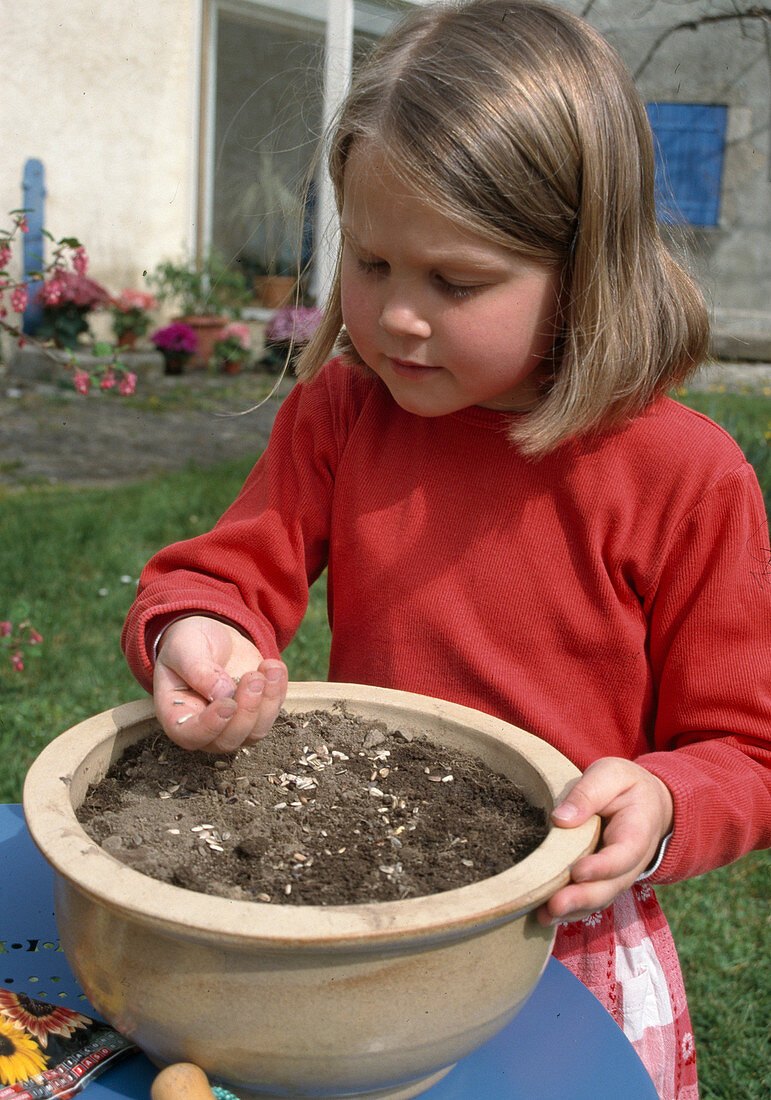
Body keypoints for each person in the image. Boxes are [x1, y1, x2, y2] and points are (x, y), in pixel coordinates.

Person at [122, 3, 770, 1097]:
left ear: (586, 265)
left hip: (556, 934)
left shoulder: (684, 474)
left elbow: (747, 750)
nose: (396, 318)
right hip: (355, 898)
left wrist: (660, 802)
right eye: (370, 262)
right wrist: (202, 631)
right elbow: (224, 572)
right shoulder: (344, 413)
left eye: (454, 282)